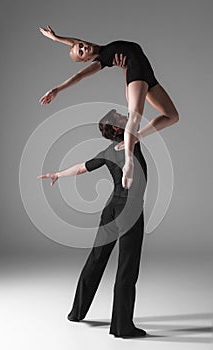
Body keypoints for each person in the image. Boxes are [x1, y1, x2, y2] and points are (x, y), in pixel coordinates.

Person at [37, 110, 148, 338]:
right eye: (120, 118)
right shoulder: (131, 142)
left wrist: (58, 174)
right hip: (130, 210)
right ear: (118, 129)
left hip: (111, 209)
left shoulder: (108, 151)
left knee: (97, 259)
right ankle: (122, 327)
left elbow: (81, 167)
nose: (125, 118)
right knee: (127, 267)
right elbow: (135, 114)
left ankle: (76, 313)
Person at [38, 25, 179, 190]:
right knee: (134, 117)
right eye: (81, 52)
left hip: (147, 75)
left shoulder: (104, 49)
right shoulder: (102, 59)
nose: (83, 47)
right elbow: (79, 76)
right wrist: (57, 89)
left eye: (81, 45)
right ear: (85, 60)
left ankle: (134, 137)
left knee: (172, 116)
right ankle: (129, 164)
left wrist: (57, 38)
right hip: (136, 75)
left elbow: (74, 43)